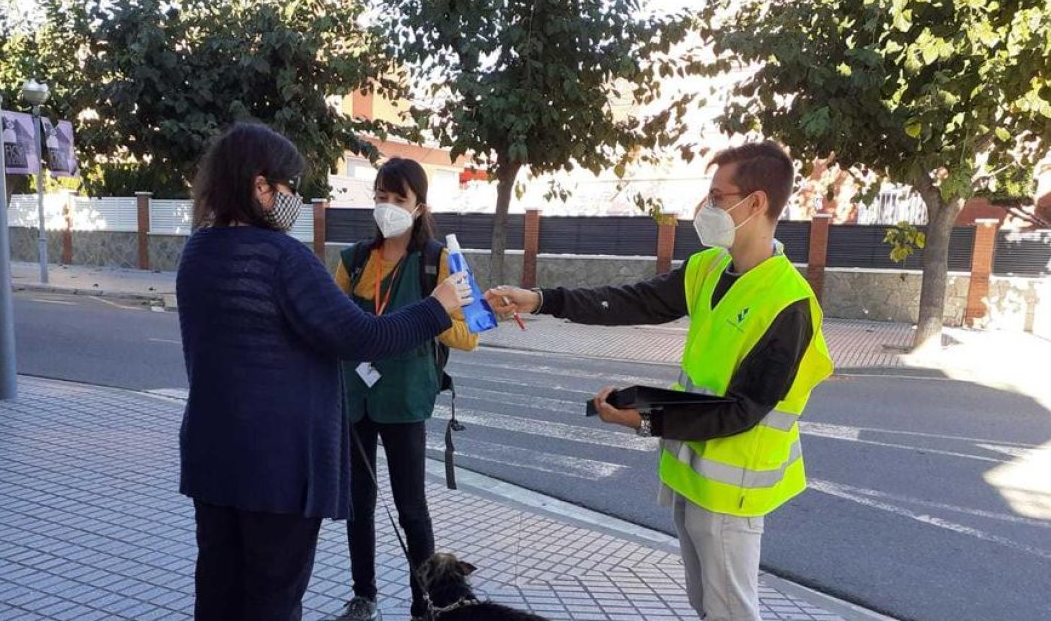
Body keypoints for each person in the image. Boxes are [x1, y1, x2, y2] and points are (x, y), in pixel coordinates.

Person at [486, 141, 833, 621]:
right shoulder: (709, 268)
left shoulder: (788, 303)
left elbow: (741, 411)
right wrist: (542, 300)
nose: (707, 207)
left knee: (732, 611)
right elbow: (632, 300)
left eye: (718, 196)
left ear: (756, 203)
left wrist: (644, 422)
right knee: (708, 606)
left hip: (733, 493)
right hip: (692, 476)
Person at [175, 123, 471, 621]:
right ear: (260, 187)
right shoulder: (284, 258)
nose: (295, 198)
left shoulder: (197, 252)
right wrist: (437, 307)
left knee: (219, 592)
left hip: (213, 458)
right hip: (278, 469)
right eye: (290, 186)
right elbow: (363, 336)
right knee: (272, 600)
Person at [330, 158, 479, 621]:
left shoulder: (439, 261)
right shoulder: (353, 260)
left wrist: (433, 317)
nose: (387, 206)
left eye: (399, 199)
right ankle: (364, 594)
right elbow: (331, 326)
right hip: (355, 398)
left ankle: (425, 604)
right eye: (381, 195)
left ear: (419, 207)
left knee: (412, 506)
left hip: (406, 400)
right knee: (359, 502)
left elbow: (470, 335)